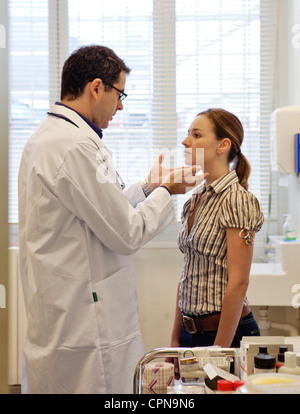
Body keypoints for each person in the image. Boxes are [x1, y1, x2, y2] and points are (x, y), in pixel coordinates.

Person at [18, 45, 204, 394]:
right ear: (97, 87)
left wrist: (150, 188)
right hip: (83, 323)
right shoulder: (72, 146)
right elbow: (126, 232)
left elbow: (100, 208)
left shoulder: (53, 138)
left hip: (67, 310)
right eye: (120, 94)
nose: (120, 105)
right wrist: (167, 189)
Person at [169, 108, 264, 363]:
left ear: (223, 145)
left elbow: (239, 283)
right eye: (188, 133)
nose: (185, 141)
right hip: (190, 333)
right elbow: (187, 272)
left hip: (225, 335)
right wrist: (175, 340)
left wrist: (218, 352)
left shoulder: (236, 200)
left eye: (196, 134)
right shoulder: (195, 199)